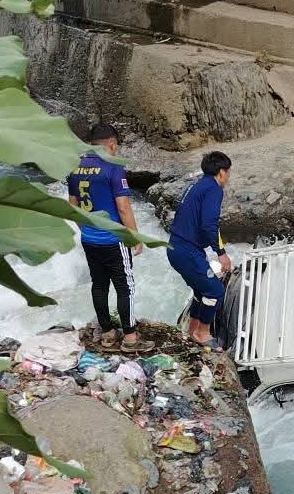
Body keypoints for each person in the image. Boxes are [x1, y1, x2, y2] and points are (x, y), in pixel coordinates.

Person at [67, 122, 154, 354]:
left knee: (99, 284)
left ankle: (106, 333)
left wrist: (85, 228)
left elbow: (72, 206)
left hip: (89, 239)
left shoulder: (75, 166)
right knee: (125, 287)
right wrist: (134, 237)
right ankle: (130, 338)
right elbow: (123, 207)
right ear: (112, 145)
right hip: (113, 240)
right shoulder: (113, 167)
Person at [167, 150, 232, 350]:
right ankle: (203, 334)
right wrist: (221, 254)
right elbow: (209, 224)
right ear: (221, 172)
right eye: (228, 172)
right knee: (215, 291)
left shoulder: (195, 184)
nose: (228, 177)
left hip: (177, 247)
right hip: (187, 250)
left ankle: (192, 330)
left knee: (200, 289)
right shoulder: (213, 189)